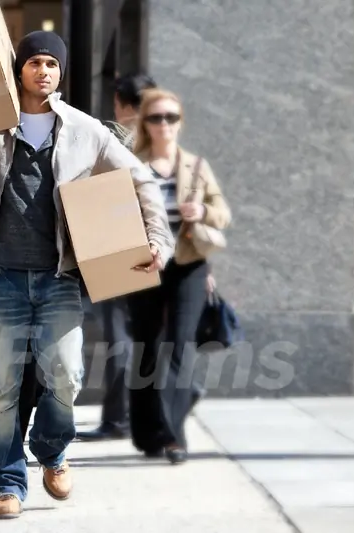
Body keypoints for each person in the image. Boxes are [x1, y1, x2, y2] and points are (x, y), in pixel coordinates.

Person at [0, 30, 174, 518]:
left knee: (66, 377)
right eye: (34, 62)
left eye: (51, 63)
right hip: (0, 277)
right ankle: (6, 484)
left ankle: (52, 449)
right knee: (3, 389)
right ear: (18, 69)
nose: (43, 70)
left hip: (60, 278)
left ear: (61, 72)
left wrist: (157, 238)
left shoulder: (85, 130)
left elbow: (141, 178)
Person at [127, 88, 231, 464]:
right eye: (156, 118)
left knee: (180, 344)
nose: (164, 124)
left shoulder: (197, 166)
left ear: (180, 122)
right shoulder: (130, 164)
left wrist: (200, 211)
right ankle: (146, 432)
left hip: (188, 266)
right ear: (146, 124)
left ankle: (174, 435)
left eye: (171, 117)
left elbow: (223, 215)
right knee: (146, 348)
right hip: (144, 265)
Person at [77, 72, 158, 442]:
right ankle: (141, 417)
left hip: (119, 245)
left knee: (120, 338)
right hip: (158, 247)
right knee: (144, 337)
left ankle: (118, 419)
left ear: (120, 104)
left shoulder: (114, 138)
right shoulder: (161, 140)